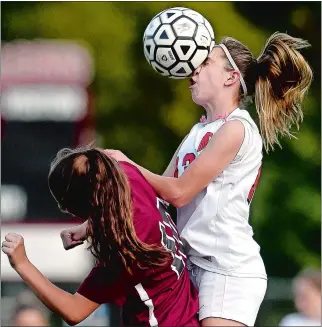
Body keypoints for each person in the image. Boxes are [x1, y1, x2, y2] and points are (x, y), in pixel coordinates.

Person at [104, 32, 313, 327]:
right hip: (190, 265)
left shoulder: (237, 128)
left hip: (227, 269)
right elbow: (156, 198)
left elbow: (178, 192)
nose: (194, 68)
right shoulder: (198, 131)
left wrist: (128, 164)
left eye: (205, 62)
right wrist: (93, 225)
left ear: (231, 77)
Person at [2, 147, 199, 327]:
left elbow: (74, 311)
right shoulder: (127, 174)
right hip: (188, 314)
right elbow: (117, 205)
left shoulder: (125, 249)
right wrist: (88, 227)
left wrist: (22, 264)